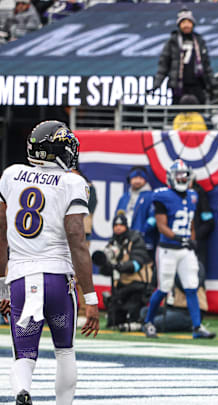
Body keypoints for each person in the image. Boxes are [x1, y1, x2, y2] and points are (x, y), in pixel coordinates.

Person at [0, 121, 99, 405]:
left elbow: (0, 235)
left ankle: (22, 391)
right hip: (57, 279)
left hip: (20, 276)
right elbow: (77, 239)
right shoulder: (72, 182)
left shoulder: (11, 175)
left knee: (24, 354)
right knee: (65, 351)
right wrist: (90, 297)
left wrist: (1, 287)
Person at [142, 159, 215, 339]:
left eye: (184, 175)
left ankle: (197, 327)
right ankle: (148, 322)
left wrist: (192, 239)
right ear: (171, 177)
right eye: (179, 175)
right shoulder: (162, 195)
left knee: (191, 286)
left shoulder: (193, 195)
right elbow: (161, 226)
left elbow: (190, 222)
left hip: (185, 250)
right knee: (164, 288)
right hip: (168, 249)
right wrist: (181, 238)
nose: (182, 178)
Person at [93, 213, 153, 329]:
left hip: (137, 286)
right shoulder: (112, 243)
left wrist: (119, 266)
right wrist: (105, 263)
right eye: (115, 225)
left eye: (121, 225)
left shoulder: (135, 239)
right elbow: (104, 271)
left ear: (126, 226)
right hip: (120, 287)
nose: (118, 227)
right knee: (113, 322)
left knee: (132, 316)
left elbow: (137, 264)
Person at [153, 8, 214, 105]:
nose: (186, 25)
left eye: (189, 22)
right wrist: (157, 84)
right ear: (179, 24)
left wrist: (211, 83)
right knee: (178, 115)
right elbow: (163, 65)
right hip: (178, 86)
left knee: (199, 115)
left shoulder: (199, 41)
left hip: (197, 84)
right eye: (183, 22)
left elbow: (206, 64)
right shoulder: (172, 41)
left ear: (193, 24)